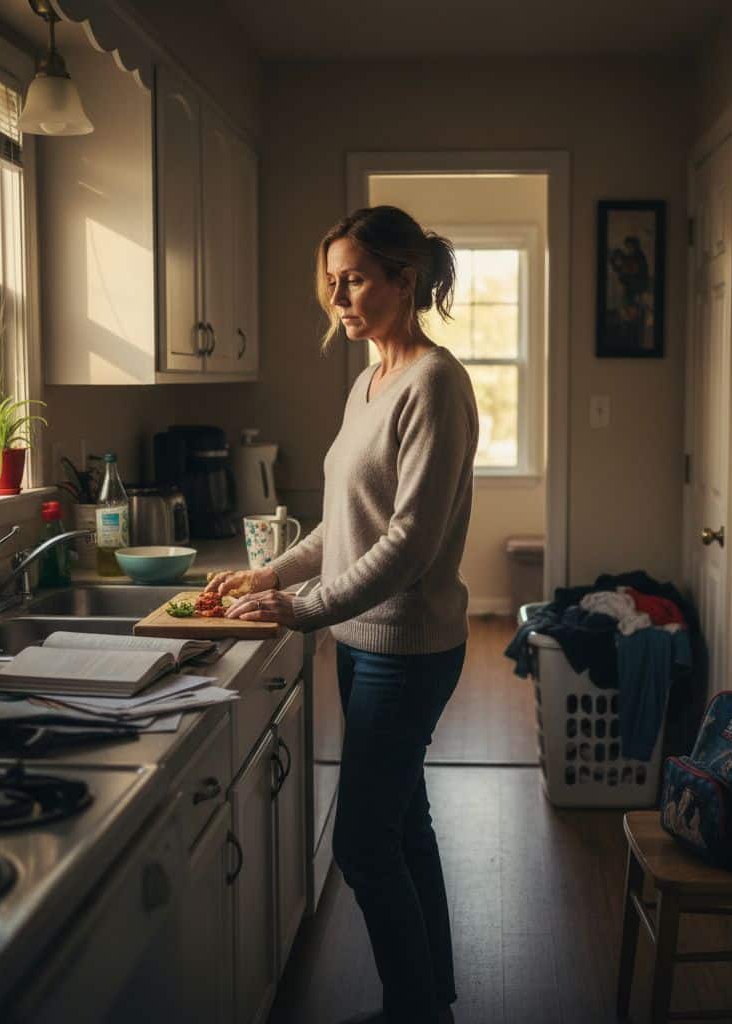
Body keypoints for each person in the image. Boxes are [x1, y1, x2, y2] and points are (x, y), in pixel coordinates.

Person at [205, 205, 479, 1024]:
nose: (337, 298)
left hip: (408, 647)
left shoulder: (435, 383)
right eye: (332, 281)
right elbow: (343, 523)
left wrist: (303, 606)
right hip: (364, 643)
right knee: (404, 827)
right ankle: (430, 1004)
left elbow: (409, 544)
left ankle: (413, 1011)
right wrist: (272, 572)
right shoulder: (368, 382)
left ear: (405, 279)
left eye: (354, 279)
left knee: (362, 844)